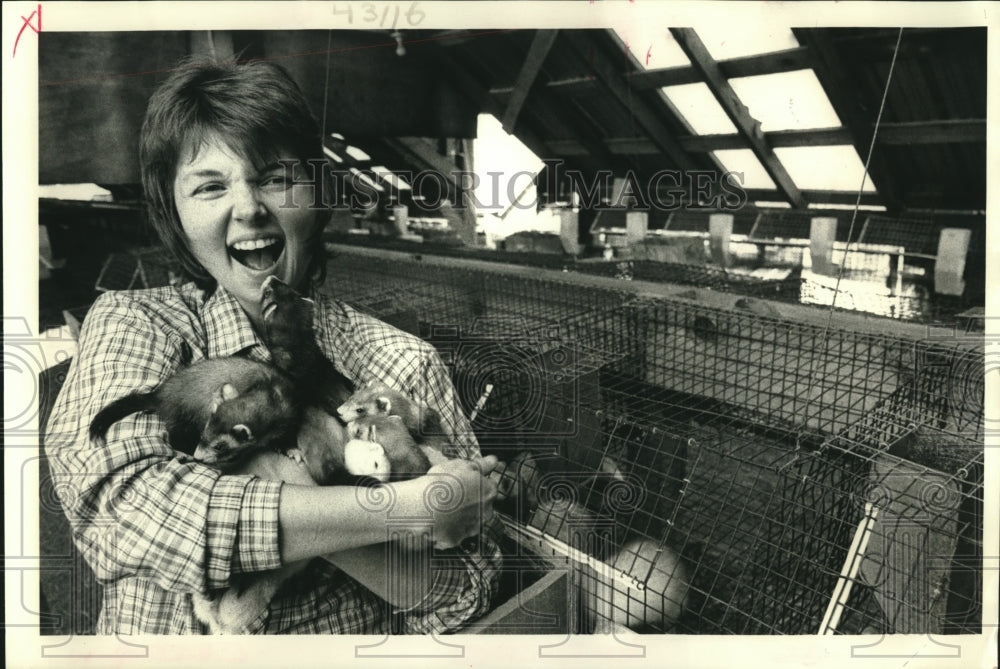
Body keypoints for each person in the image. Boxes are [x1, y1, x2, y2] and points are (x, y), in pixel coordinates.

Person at [44, 58, 503, 635]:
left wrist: (274, 490)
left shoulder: (403, 362)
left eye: (276, 177)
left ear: (318, 192)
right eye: (211, 185)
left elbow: (467, 592)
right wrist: (407, 509)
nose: (249, 206)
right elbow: (121, 514)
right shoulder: (137, 322)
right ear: (175, 212)